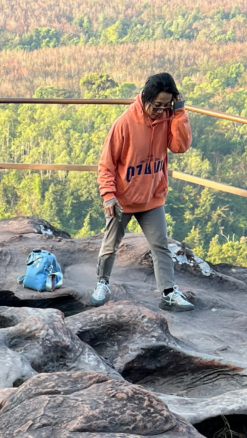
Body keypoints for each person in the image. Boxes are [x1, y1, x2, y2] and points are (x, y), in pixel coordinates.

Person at [90, 72, 194, 311]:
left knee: (160, 247)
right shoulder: (124, 123)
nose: (160, 110)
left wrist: (178, 112)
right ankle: (102, 283)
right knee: (110, 245)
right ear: (145, 97)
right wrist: (109, 195)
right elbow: (106, 163)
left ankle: (168, 293)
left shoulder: (169, 116)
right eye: (157, 105)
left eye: (165, 105)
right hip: (123, 199)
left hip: (152, 197)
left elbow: (180, 146)